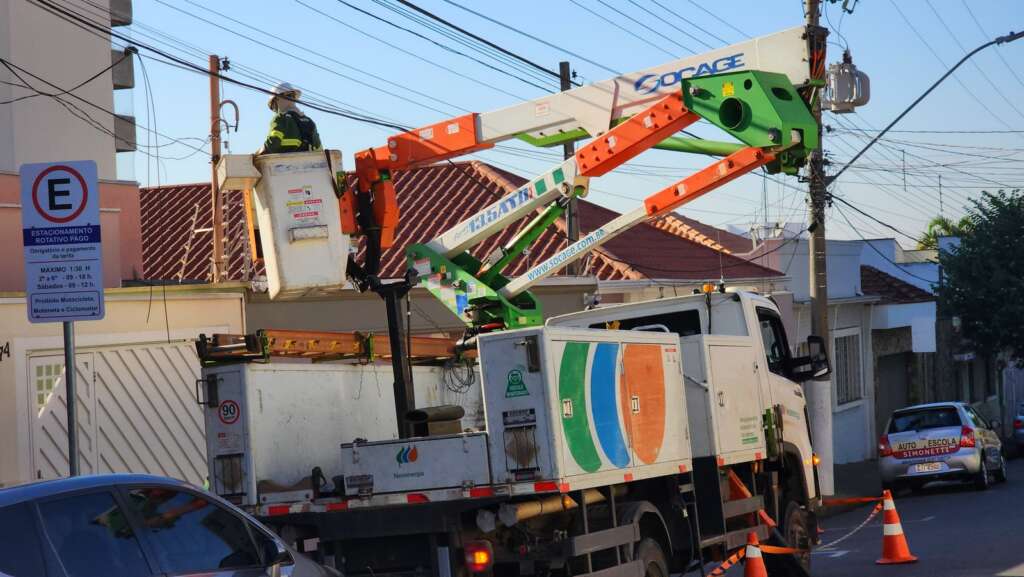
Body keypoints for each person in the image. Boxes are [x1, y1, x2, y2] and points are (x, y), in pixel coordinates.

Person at [259, 82, 322, 154]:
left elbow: (272, 144)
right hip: (310, 164)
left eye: (273, 105)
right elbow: (319, 150)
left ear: (277, 99)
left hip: (284, 164)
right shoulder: (310, 122)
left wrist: (256, 155)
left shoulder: (281, 119)